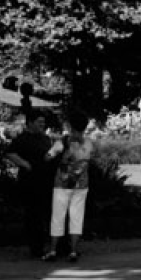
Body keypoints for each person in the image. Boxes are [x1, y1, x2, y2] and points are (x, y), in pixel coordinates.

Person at [3, 107, 56, 260]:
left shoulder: (45, 138)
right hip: (30, 182)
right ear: (30, 123)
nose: (42, 125)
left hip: (46, 180)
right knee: (33, 215)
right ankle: (36, 247)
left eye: (43, 122)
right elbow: (10, 153)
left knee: (47, 213)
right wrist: (24, 164)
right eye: (39, 122)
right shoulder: (23, 139)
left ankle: (51, 244)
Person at [45, 111, 94, 262]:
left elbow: (47, 157)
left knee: (57, 216)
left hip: (62, 183)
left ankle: (53, 250)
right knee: (77, 218)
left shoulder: (63, 142)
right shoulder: (89, 143)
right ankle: (73, 251)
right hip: (81, 184)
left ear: (70, 126)